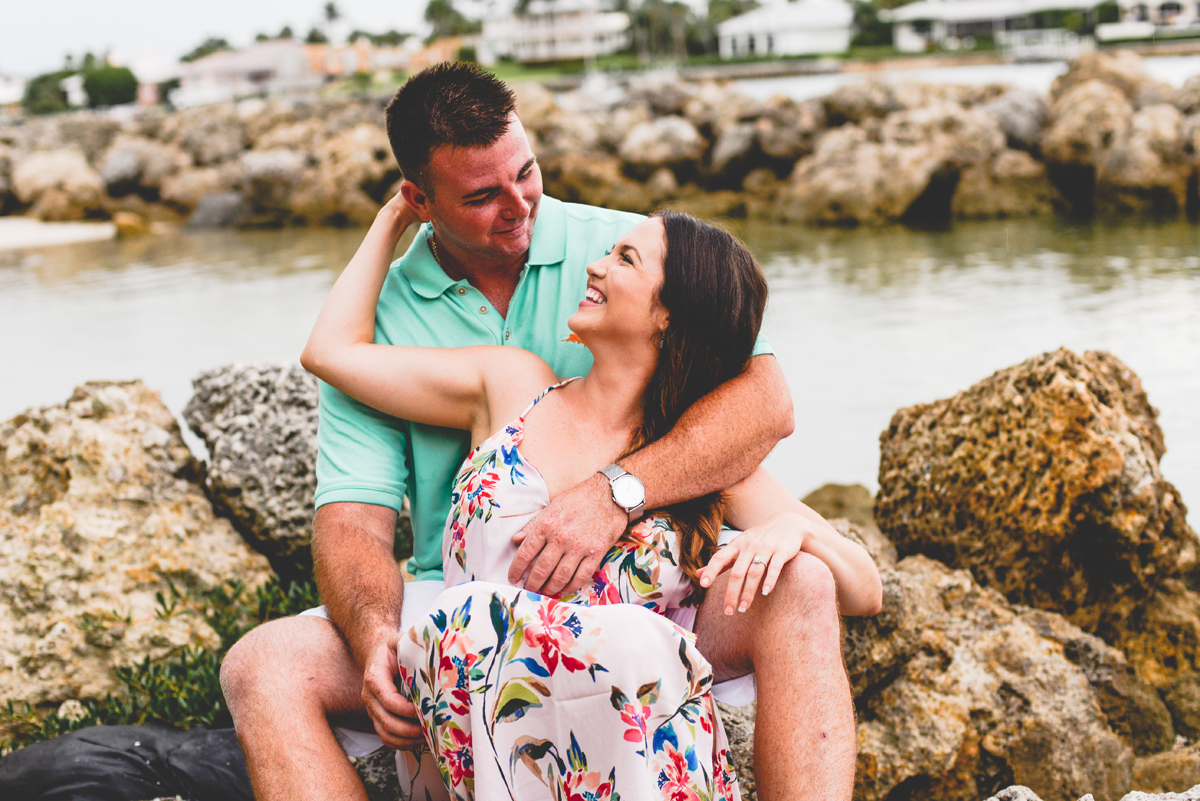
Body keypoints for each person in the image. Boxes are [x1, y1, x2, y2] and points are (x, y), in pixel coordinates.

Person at [219, 62, 873, 801]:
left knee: (799, 583)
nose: (521, 206)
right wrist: (377, 641)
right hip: (461, 613)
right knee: (263, 664)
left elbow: (762, 404)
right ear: (422, 199)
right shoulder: (509, 377)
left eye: (526, 173)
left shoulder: (632, 249)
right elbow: (350, 516)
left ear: (663, 314)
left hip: (640, 622)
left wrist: (629, 495)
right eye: (480, 195)